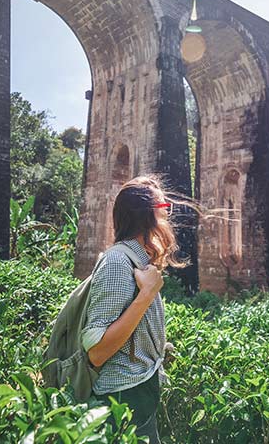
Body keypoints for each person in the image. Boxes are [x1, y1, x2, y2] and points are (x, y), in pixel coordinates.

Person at [82, 176, 187, 444]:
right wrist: (147, 295)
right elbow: (96, 351)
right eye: (164, 207)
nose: (167, 215)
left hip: (137, 390)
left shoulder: (137, 260)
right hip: (122, 397)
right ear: (148, 215)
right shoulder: (118, 262)